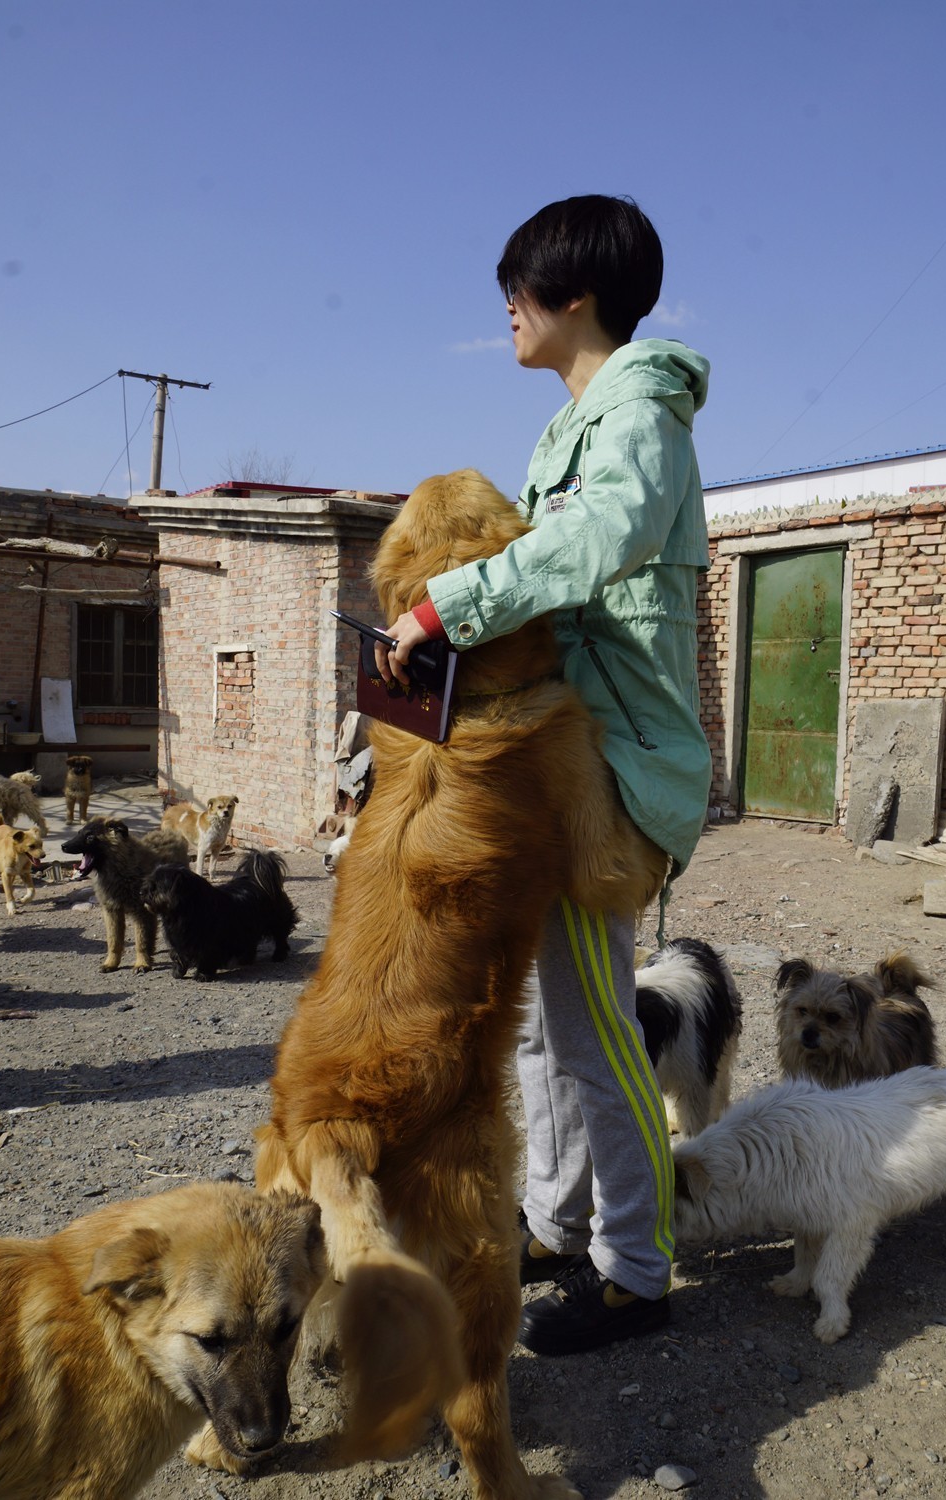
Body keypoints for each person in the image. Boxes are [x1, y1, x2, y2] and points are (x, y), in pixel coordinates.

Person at [376, 193, 712, 1355]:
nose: (506, 315)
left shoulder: (640, 420)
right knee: (540, 1030)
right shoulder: (571, 426)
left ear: (571, 296)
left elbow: (581, 551)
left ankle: (635, 1268)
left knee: (594, 1031)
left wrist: (445, 605)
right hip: (557, 757)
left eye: (514, 295)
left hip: (606, 773)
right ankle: (556, 1222)